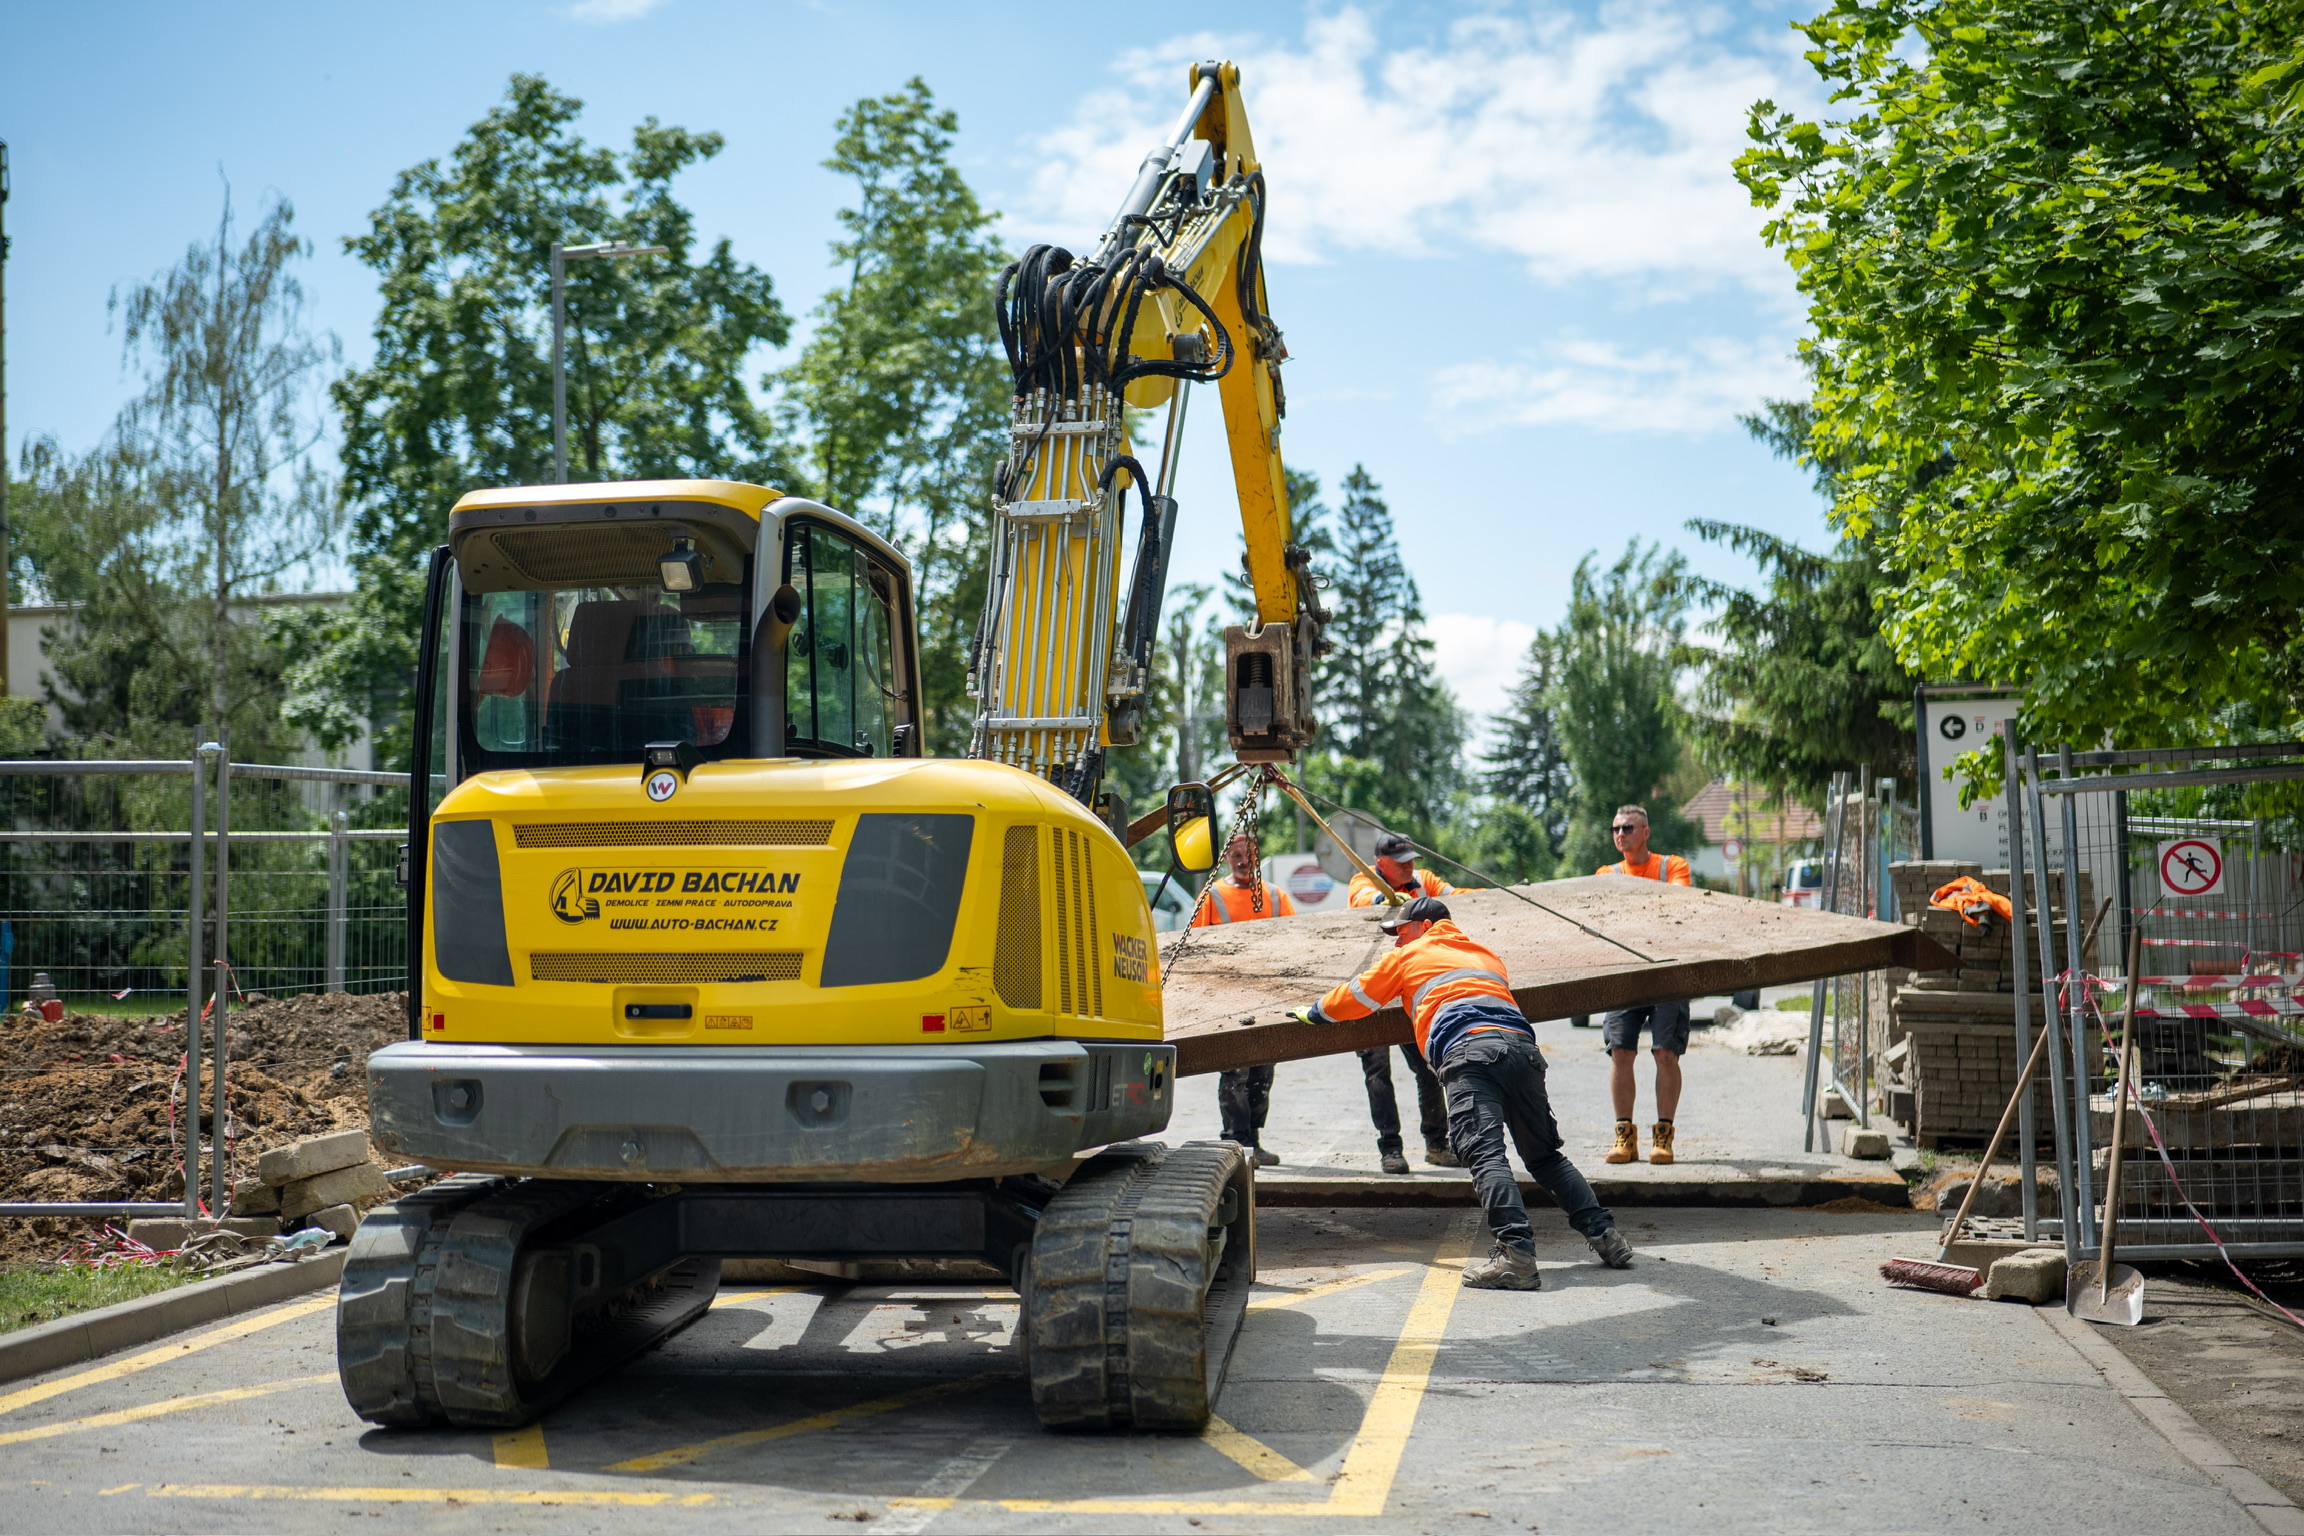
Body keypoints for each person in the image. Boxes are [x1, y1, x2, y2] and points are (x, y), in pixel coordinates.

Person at [1288, 896, 1634, 1289]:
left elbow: (1357, 997)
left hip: (1469, 1054)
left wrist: (1314, 1011)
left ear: (1424, 926)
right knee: (1545, 1157)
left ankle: (1517, 1258)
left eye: (1401, 931)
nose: (1397, 940)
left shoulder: (1410, 955)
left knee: (1485, 1156)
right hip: (1522, 1051)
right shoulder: (1484, 954)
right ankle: (1607, 1239)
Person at [1344, 834, 1461, 1174]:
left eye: (1411, 858)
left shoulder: (1425, 881)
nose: (1410, 865)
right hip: (1373, 993)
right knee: (1378, 1073)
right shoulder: (1362, 879)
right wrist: (1390, 897)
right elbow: (1368, 899)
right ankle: (1390, 1149)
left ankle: (1437, 1145)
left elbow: (1457, 897)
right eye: (1401, 861)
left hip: (1411, 991)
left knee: (1429, 1068)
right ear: (1380, 863)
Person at [1592, 804, 1692, 1166]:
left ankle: (1663, 1136)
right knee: (1620, 1052)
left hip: (1669, 972)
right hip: (1625, 972)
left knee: (1665, 1053)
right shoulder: (1606, 872)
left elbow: (1676, 904)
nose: (1621, 834)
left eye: (1629, 828)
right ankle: (1624, 1136)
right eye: (1616, 828)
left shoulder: (1673, 866)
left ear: (1645, 833)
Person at [1194, 829, 1295, 1167]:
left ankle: (1253, 1137)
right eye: (1236, 854)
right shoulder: (1213, 897)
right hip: (1227, 999)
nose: (1243, 860)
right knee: (1234, 1072)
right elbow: (1195, 947)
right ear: (1226, 858)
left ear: (1257, 855)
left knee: (1262, 1074)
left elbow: (1297, 945)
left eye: (1248, 853)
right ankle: (1236, 1140)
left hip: (1267, 1000)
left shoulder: (1276, 897)